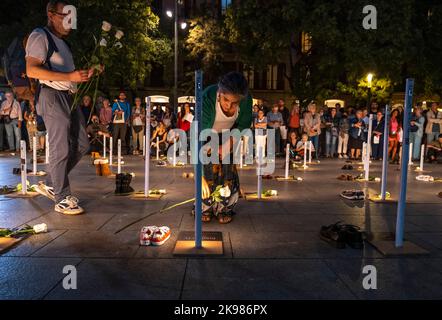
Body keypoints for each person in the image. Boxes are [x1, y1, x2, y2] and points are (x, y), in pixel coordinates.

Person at [26, 0, 97, 214]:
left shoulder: (63, 43)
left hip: (69, 95)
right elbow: (32, 70)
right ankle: (62, 197)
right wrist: (68, 76)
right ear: (51, 14)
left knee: (82, 143)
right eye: (64, 15)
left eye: (71, 17)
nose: (69, 21)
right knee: (61, 146)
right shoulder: (40, 36)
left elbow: (69, 75)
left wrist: (83, 74)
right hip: (51, 95)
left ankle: (51, 182)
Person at [200, 71, 252, 224]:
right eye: (225, 99)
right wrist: (199, 174)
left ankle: (225, 207)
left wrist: (227, 145)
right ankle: (205, 206)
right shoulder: (208, 97)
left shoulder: (246, 99)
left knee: (228, 172)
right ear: (219, 93)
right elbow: (198, 136)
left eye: (235, 102)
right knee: (208, 171)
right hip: (206, 134)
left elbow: (243, 125)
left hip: (231, 133)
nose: (229, 105)